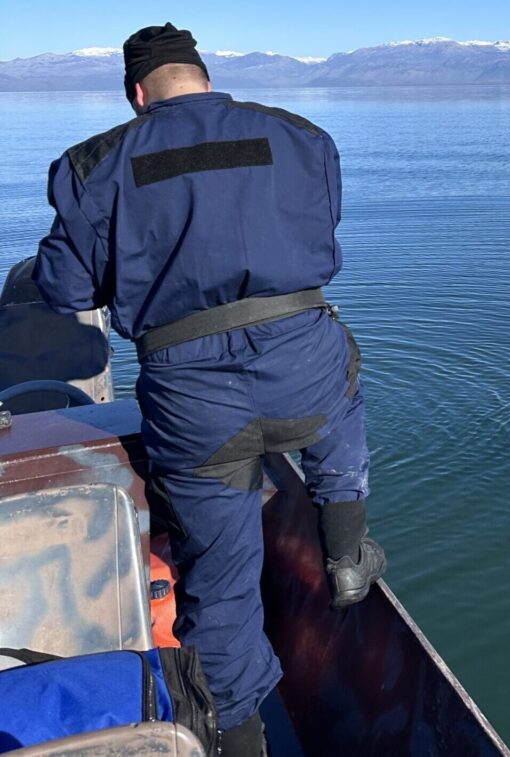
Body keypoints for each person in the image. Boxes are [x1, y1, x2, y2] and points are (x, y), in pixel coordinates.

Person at [32, 22, 385, 755]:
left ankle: (242, 736)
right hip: (304, 366)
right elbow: (320, 237)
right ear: (204, 74)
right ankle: (348, 553)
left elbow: (65, 288)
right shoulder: (301, 135)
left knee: (218, 590)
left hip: (196, 401)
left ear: (137, 93)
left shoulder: (95, 164)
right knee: (341, 392)